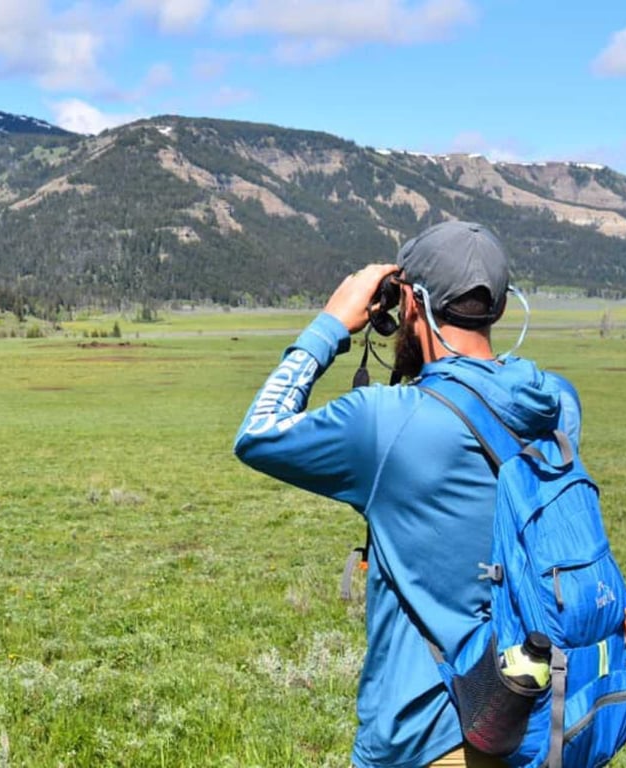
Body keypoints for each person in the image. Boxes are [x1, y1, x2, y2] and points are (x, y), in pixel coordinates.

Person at [233, 221, 582, 768]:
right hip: (540, 713)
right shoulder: (556, 403)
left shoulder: (388, 424)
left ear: (411, 304)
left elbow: (258, 433)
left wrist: (332, 323)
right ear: (500, 306)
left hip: (431, 738)